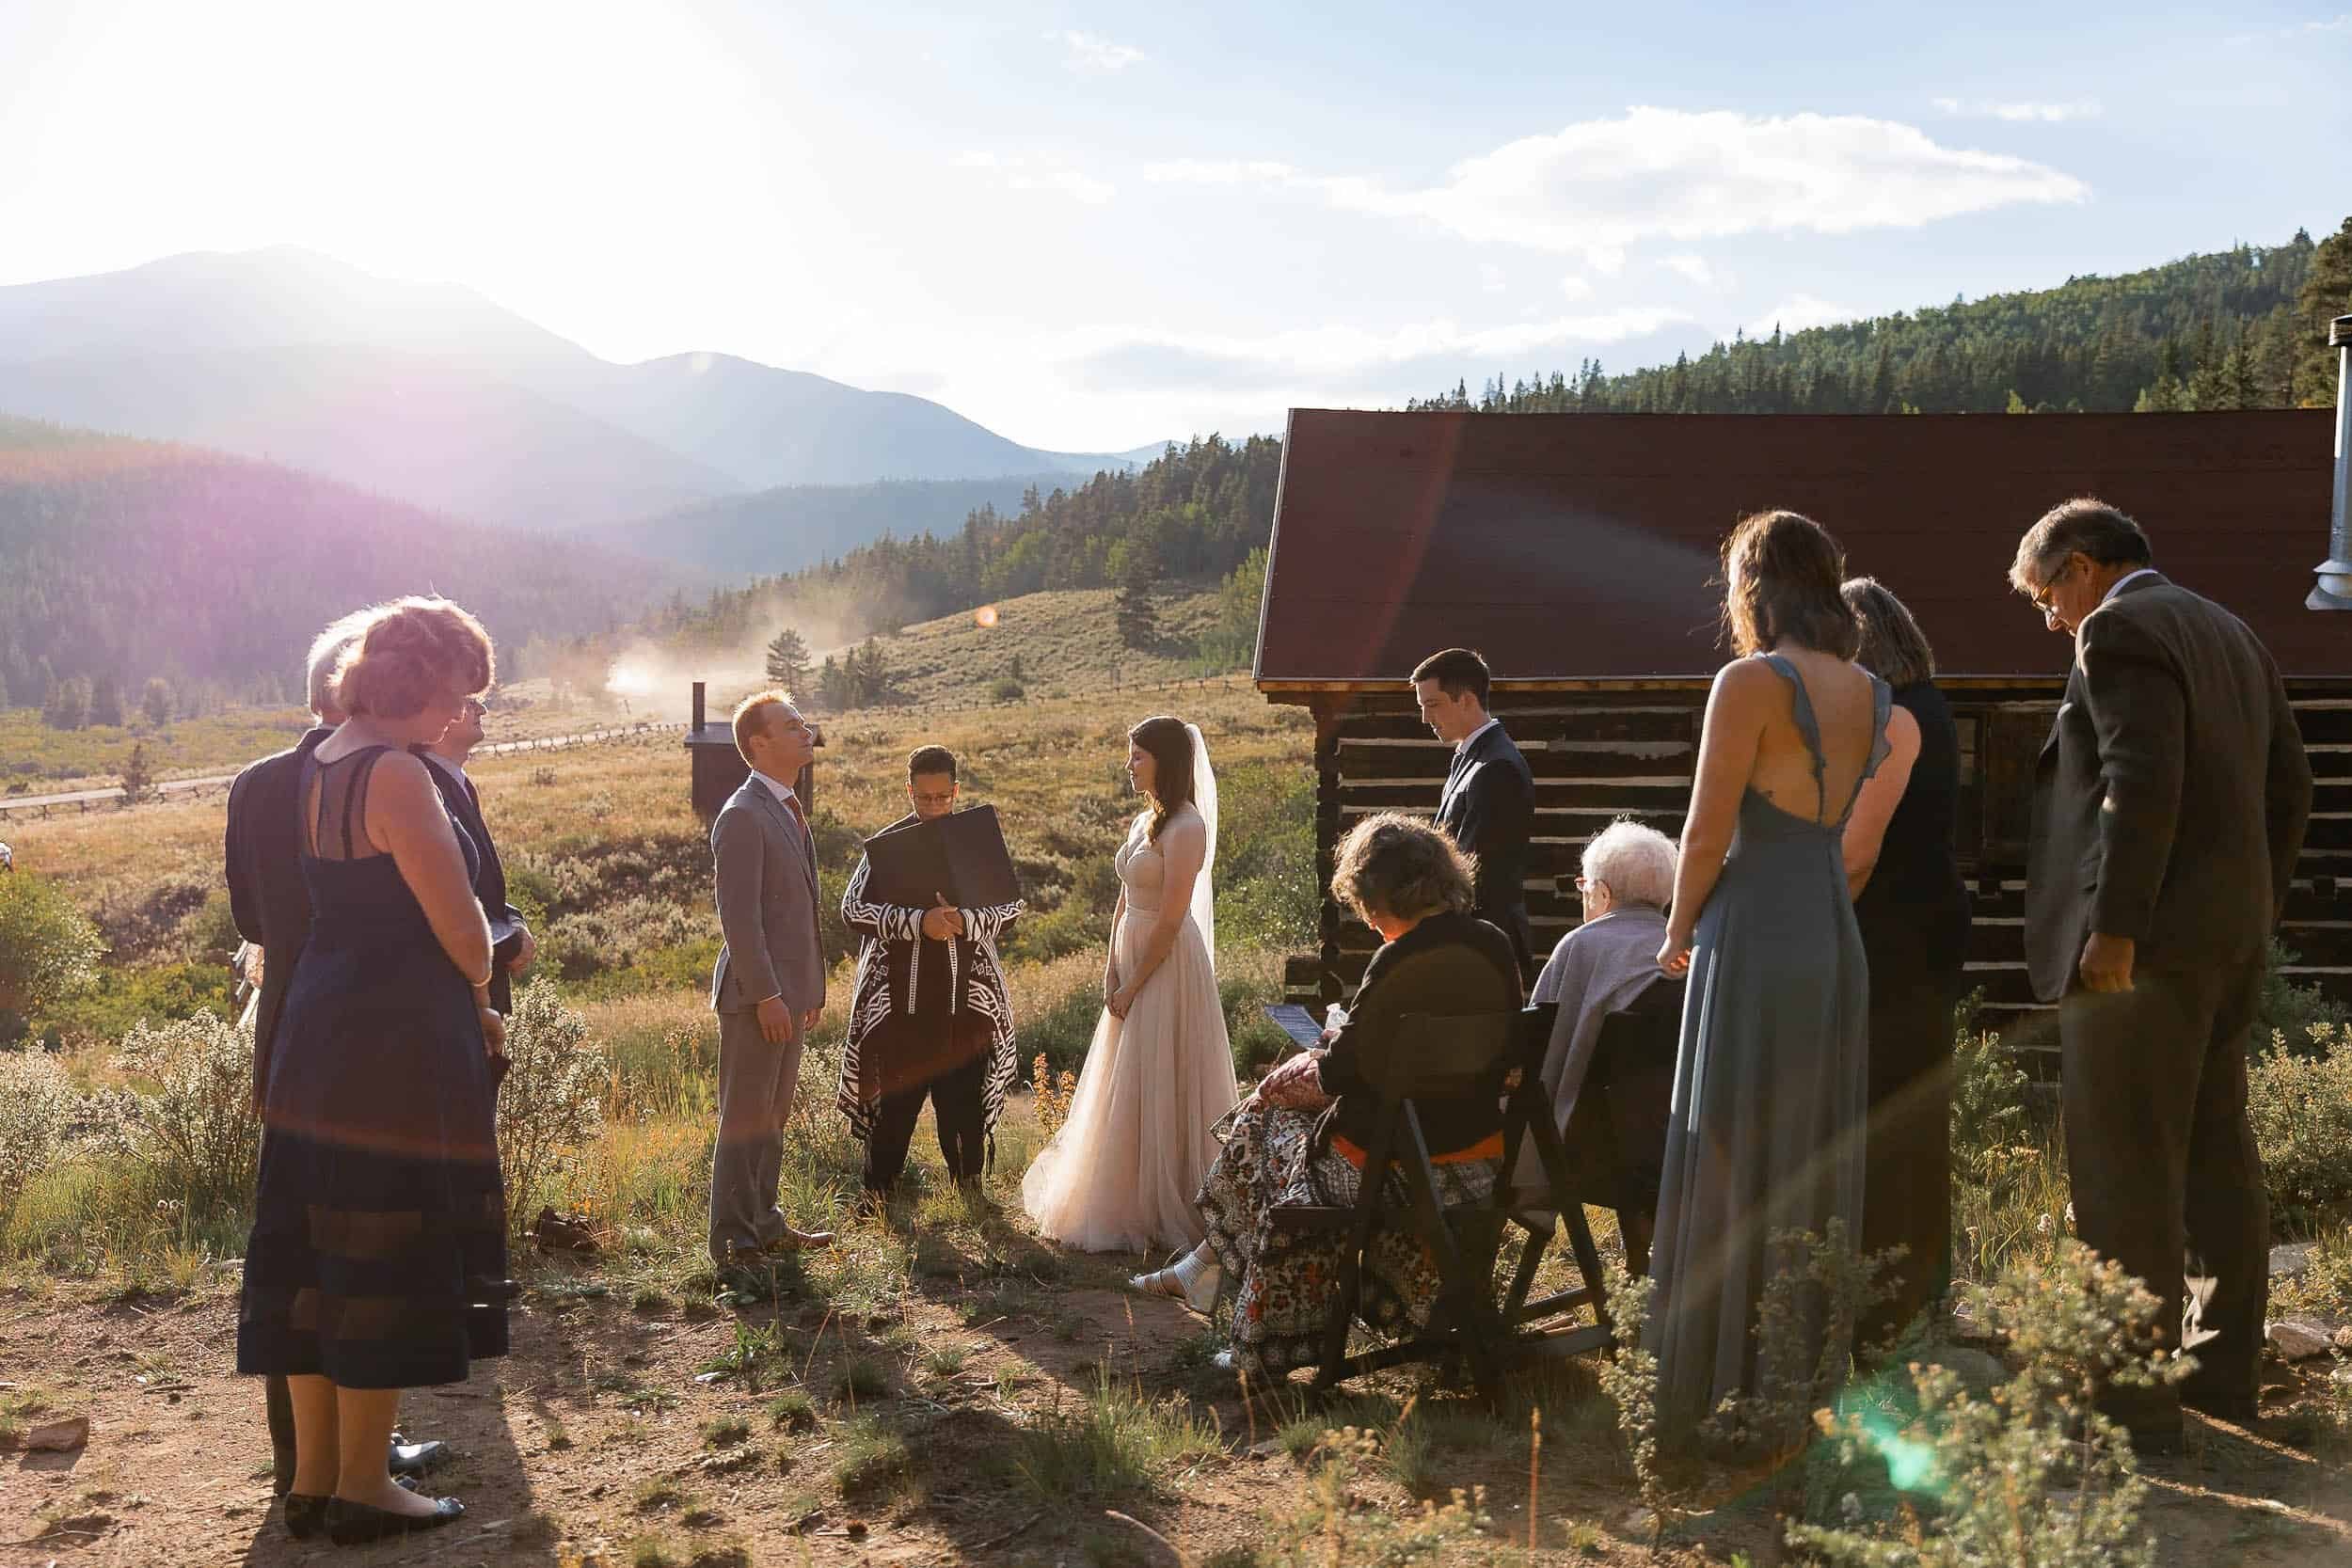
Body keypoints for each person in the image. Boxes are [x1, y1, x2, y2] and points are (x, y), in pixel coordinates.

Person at [2010, 498, 2311, 1446]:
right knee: (2217, 1159)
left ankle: (2130, 1406)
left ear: (2082, 564)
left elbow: (2136, 784)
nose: (2051, 620)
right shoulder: (2231, 631)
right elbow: (2290, 785)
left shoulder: (2119, 628)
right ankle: (2221, 1377)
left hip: (2138, 954)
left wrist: (2114, 927)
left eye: (2045, 595)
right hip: (2224, 944)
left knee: (2122, 1170)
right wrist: (2255, 909)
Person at [234, 596, 507, 1544]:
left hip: (319, 1026)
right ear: (421, 683)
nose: (456, 715)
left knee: (316, 1256)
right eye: (456, 694)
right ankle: (365, 1484)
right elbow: (468, 939)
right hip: (391, 1043)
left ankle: (313, 1479)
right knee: (384, 1251)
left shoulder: (323, 759)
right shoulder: (396, 775)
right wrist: (480, 960)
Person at [1647, 511, 1898, 1444]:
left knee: (1728, 1141)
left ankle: (1709, 1384)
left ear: (1751, 585)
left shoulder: (1750, 680)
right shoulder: (1871, 690)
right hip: (1828, 930)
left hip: (1748, 929)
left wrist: (1674, 930)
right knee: (1804, 1145)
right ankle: (1791, 1372)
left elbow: (1707, 833)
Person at [1166, 813, 1519, 1375]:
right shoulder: (1495, 946)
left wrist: (1308, 1066)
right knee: (1282, 1137)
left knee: (1265, 1134)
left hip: (1395, 1166)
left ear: (1383, 896)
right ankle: (1206, 1270)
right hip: (1477, 1160)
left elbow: (1343, 1075)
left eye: (1367, 905)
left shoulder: (1401, 960)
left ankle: (1259, 1336)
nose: (1368, 919)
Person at [1022, 716, 1238, 1253]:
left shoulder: (1187, 827)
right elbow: (1125, 896)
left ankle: (1169, 1204)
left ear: (1164, 760)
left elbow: (1170, 918)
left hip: (1164, 963)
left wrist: (1135, 982)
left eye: (1137, 756)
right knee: (1127, 1076)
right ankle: (1123, 1195)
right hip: (1130, 954)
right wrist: (1109, 967)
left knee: (1161, 1070)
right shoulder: (1145, 821)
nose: (1129, 765)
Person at [1839, 577, 1965, 1341]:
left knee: (1885, 1113)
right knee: (1919, 1111)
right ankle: (1921, 1289)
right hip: (1929, 923)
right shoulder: (1936, 707)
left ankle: (1888, 1302)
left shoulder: (1895, 719)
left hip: (1891, 931)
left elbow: (1858, 852)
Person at [837, 745, 1023, 1201]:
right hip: (901, 1003)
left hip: (967, 1002)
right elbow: (852, 908)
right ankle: (878, 1194)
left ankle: (970, 1192)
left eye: (943, 797)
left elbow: (1010, 904)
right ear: (909, 791)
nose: (935, 807)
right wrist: (919, 923)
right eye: (925, 798)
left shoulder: (977, 841)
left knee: (962, 1104)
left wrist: (964, 921)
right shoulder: (886, 847)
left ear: (956, 790)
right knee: (895, 1106)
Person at [707, 690, 833, 1266]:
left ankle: (765, 1222)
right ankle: (734, 1243)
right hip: (758, 997)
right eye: (792, 725)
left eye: (803, 723)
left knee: (772, 1116)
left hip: (787, 994)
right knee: (745, 1117)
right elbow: (741, 919)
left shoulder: (784, 806)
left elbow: (797, 910)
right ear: (759, 743)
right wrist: (769, 996)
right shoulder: (741, 815)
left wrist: (809, 989)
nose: (806, 731)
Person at [1522, 819, 1681, 1245]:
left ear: (1604, 893)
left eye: (1585, 886)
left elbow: (1534, 1053)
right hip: (1679, 1150)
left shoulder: (1580, 946)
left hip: (1584, 1154)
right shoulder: (1686, 951)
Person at [1415, 648, 1536, 983]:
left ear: (1466, 699)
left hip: (1483, 950)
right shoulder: (1471, 757)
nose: (1426, 718)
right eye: (1422, 706)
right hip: (1468, 945)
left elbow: (1479, 875)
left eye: (1433, 705)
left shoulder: (1496, 767)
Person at [418, 692, 536, 1015]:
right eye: (469, 701)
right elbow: (439, 897)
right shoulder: (421, 786)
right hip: (451, 1000)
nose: (481, 709)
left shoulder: (456, 782)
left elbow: (475, 884)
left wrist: (512, 919)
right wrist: (509, 941)